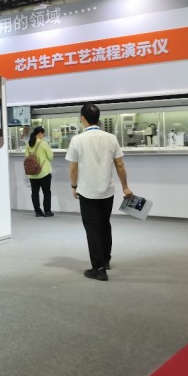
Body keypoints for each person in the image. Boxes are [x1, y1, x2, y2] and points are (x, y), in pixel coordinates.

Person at [66, 103, 133, 282]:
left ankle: (99, 269)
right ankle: (106, 259)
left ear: (82, 118)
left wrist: (73, 186)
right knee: (105, 225)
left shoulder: (77, 140)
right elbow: (120, 165)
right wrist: (125, 187)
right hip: (107, 191)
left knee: (92, 229)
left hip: (87, 191)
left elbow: (73, 168)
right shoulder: (111, 138)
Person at [25, 126, 54, 217]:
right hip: (44, 172)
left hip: (32, 173)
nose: (43, 135)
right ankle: (47, 211)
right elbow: (50, 157)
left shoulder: (28, 144)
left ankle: (37, 211)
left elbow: (27, 157)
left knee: (34, 193)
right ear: (39, 134)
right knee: (46, 192)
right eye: (43, 134)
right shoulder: (43, 143)